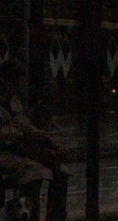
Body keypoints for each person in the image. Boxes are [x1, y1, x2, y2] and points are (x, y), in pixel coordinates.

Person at [0, 60, 67, 221]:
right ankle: (30, 217)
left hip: (20, 150)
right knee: (33, 173)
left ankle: (55, 216)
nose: (16, 88)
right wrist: (20, 136)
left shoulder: (14, 102)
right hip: (5, 151)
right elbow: (8, 134)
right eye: (14, 83)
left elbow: (26, 126)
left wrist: (46, 140)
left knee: (61, 171)